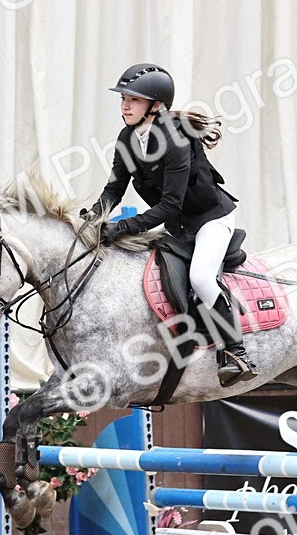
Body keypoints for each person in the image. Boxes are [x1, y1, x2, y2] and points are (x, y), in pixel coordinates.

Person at [86, 63, 257, 386]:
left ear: (156, 105)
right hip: (179, 226)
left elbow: (169, 205)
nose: (124, 105)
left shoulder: (175, 142)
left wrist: (121, 229)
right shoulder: (127, 138)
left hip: (210, 219)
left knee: (202, 277)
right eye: (123, 98)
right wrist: (93, 219)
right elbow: (114, 188)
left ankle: (236, 351)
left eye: (133, 100)